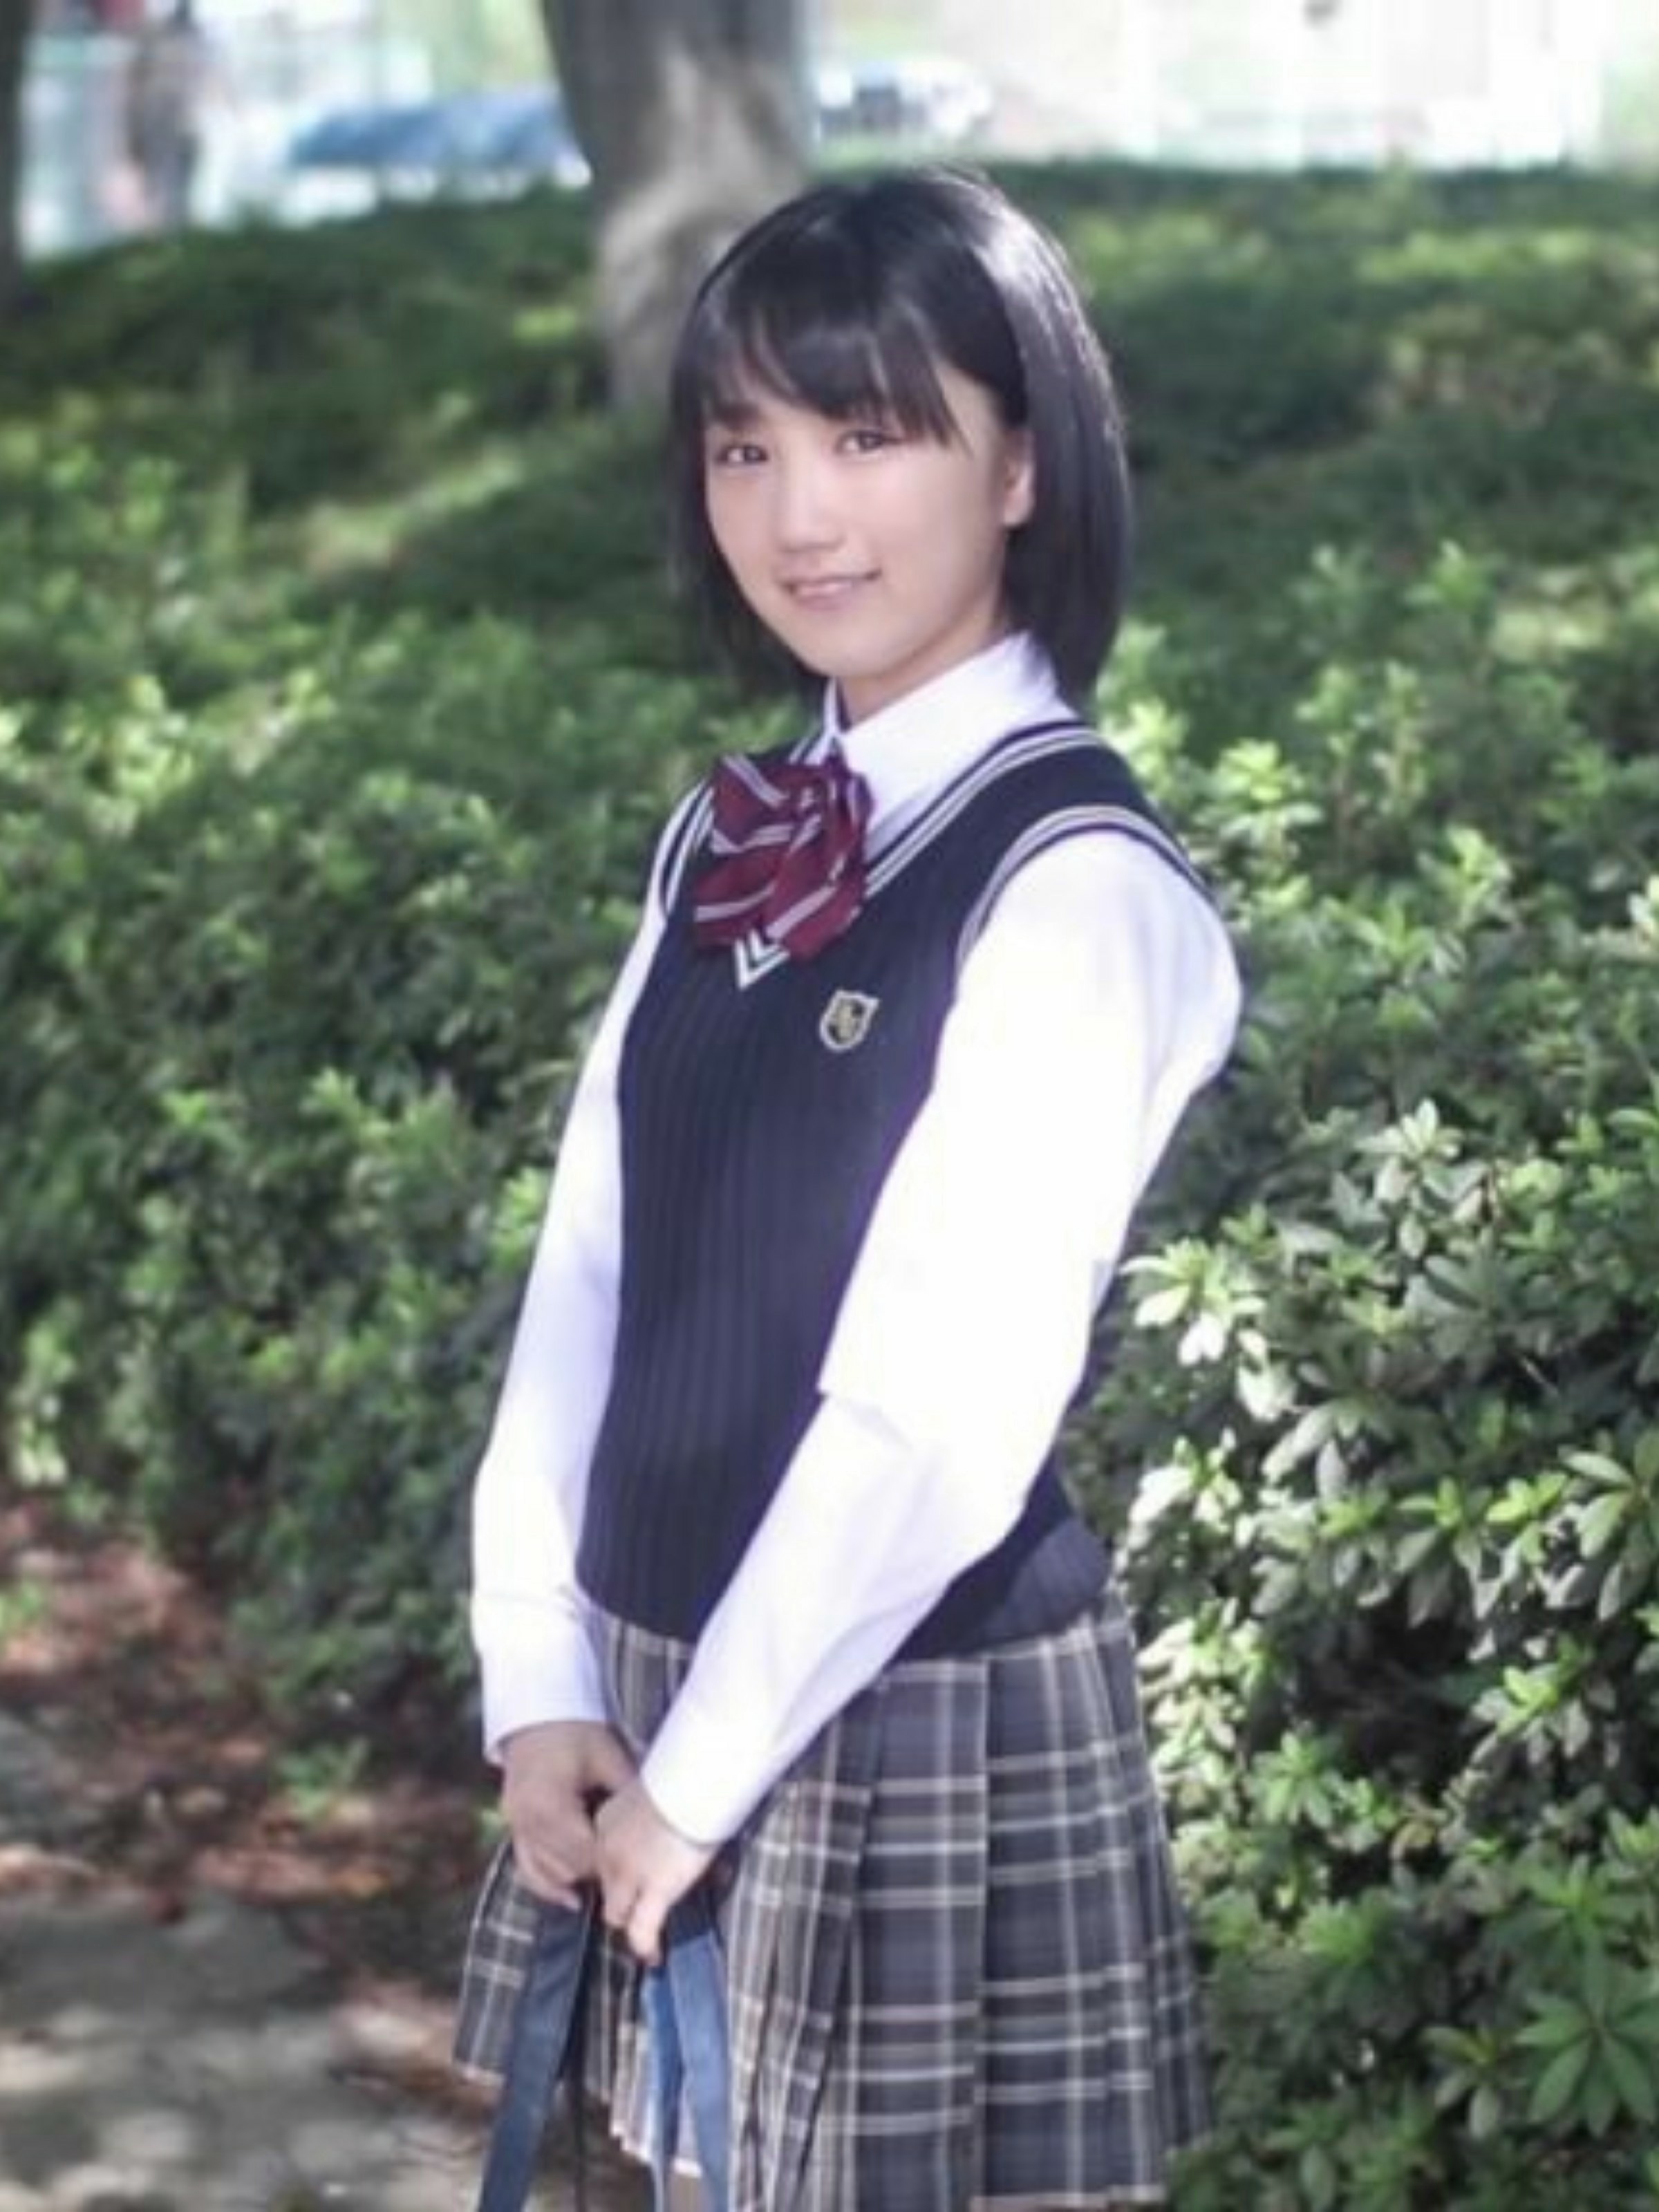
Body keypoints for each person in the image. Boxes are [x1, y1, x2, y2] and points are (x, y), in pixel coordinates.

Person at [456, 165, 1242, 2210]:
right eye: (745, 447)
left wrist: (695, 1775)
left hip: (898, 1718)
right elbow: (593, 1264)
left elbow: (938, 1408)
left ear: (1019, 465)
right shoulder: (724, 833)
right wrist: (537, 1673)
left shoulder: (1076, 886)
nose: (797, 512)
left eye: (870, 433)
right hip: (647, 1679)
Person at [122, 0, 213, 231]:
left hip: (182, 126)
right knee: (158, 189)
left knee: (179, 192)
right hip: (158, 123)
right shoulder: (156, 38)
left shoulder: (195, 38)